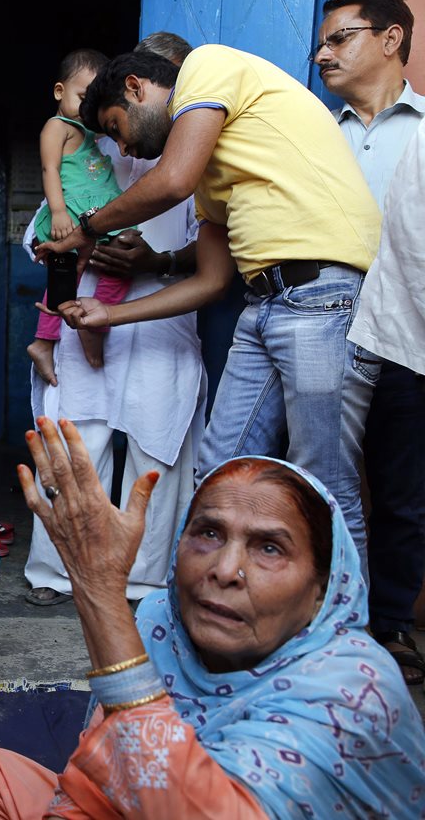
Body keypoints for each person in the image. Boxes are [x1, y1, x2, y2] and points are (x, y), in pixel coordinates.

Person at [0, 418, 425, 818]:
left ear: (323, 589)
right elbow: (107, 769)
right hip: (152, 802)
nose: (225, 569)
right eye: (209, 534)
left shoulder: (353, 690)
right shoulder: (160, 623)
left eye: (270, 548)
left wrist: (100, 590)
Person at [41, 46, 382, 570]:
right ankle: (224, 613)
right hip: (263, 304)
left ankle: (342, 640)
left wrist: (86, 229)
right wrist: (111, 314)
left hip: (321, 295)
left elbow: (171, 180)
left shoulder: (207, 66)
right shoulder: (213, 170)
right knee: (218, 471)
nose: (123, 144)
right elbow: (212, 279)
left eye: (116, 126)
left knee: (325, 485)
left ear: (137, 88)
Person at [22, 32, 205, 606]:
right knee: (77, 445)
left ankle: (146, 582)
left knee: (158, 455)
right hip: (85, 318)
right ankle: (58, 572)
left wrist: (160, 260)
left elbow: (224, 252)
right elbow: (39, 234)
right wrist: (83, 248)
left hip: (162, 320)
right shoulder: (93, 145)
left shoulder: (202, 157)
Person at [316, 0, 425, 687]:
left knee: (402, 489)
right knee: (312, 477)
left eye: (340, 39)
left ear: (391, 38)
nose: (323, 54)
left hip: (406, 329)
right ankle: (315, 624)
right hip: (321, 322)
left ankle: (385, 628)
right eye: (320, 43)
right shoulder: (317, 135)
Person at [28, 49, 130, 384]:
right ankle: (49, 340)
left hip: (97, 211)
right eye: (83, 98)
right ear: (60, 92)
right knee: (65, 277)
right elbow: (49, 168)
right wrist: (57, 211)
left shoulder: (88, 130)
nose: (87, 108)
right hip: (71, 214)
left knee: (119, 265)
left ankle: (92, 325)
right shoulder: (57, 126)